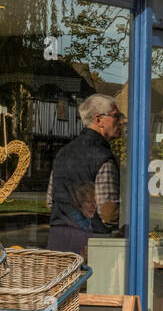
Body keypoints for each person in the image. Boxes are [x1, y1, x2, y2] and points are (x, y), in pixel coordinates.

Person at [46, 93, 123, 257]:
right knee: (93, 283)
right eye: (116, 116)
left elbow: (50, 201)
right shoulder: (103, 157)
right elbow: (108, 213)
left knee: (65, 283)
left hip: (58, 238)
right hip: (92, 243)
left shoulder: (63, 153)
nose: (121, 121)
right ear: (99, 120)